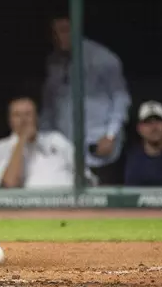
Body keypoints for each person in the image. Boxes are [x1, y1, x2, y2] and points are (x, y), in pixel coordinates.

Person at [40, 15, 131, 185]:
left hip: (98, 146)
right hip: (65, 152)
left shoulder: (103, 58)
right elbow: (49, 105)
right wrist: (45, 138)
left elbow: (121, 98)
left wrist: (111, 135)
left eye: (65, 30)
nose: (60, 36)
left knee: (104, 204)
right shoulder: (53, 62)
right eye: (55, 32)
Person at [0, 97, 97, 189]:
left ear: (36, 117)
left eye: (28, 114)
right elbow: (10, 184)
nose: (23, 120)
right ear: (10, 120)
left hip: (69, 204)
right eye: (17, 115)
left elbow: (86, 177)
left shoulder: (56, 139)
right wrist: (22, 140)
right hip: (31, 207)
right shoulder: (3, 146)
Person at [124, 101, 162, 186]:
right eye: (148, 122)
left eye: (158, 121)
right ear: (139, 128)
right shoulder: (133, 158)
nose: (154, 127)